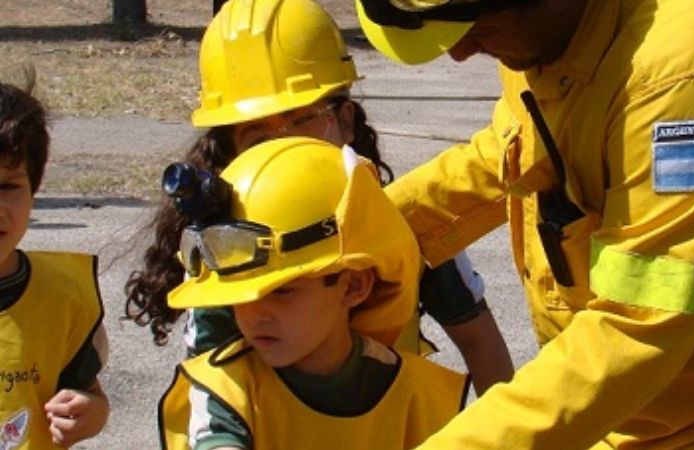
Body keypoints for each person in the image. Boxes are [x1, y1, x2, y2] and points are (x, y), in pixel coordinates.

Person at [355, 0, 694, 448]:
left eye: (477, 27)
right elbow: (509, 152)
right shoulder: (545, 36)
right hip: (614, 408)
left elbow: (639, 322)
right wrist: (354, 232)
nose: (459, 53)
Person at [124, 0, 513, 395]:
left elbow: (480, 342)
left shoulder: (399, 220)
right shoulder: (226, 251)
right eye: (258, 137)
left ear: (345, 122)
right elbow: (210, 394)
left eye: (303, 121)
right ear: (228, 155)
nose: (286, 149)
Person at [158, 137, 470, 450]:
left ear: (353, 286)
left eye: (281, 291)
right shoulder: (224, 388)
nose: (256, 313)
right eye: (240, 294)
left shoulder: (423, 397)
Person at [0, 79, 110, 448]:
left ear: (34, 190)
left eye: (8, 187)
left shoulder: (62, 298)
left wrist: (89, 412)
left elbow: (89, 394)